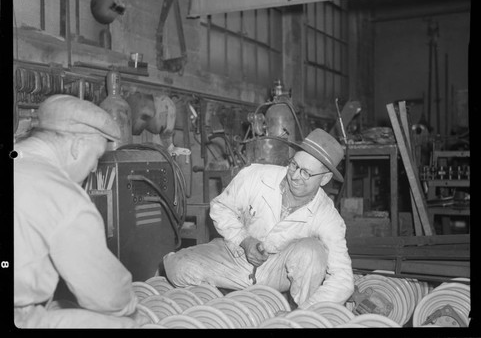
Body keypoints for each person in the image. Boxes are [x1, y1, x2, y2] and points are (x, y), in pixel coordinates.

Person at [163, 128, 354, 310]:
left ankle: (296, 315)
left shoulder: (328, 216)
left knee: (312, 252)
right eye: (294, 165)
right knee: (178, 268)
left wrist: (304, 312)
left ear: (325, 179)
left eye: (306, 173)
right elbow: (221, 208)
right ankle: (225, 298)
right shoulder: (257, 175)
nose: (295, 176)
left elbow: (343, 279)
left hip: (276, 272)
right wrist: (245, 240)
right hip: (235, 256)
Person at [14, 94, 146, 328]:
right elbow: (108, 295)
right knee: (130, 323)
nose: (94, 167)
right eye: (95, 157)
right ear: (76, 146)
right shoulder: (62, 196)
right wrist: (131, 307)